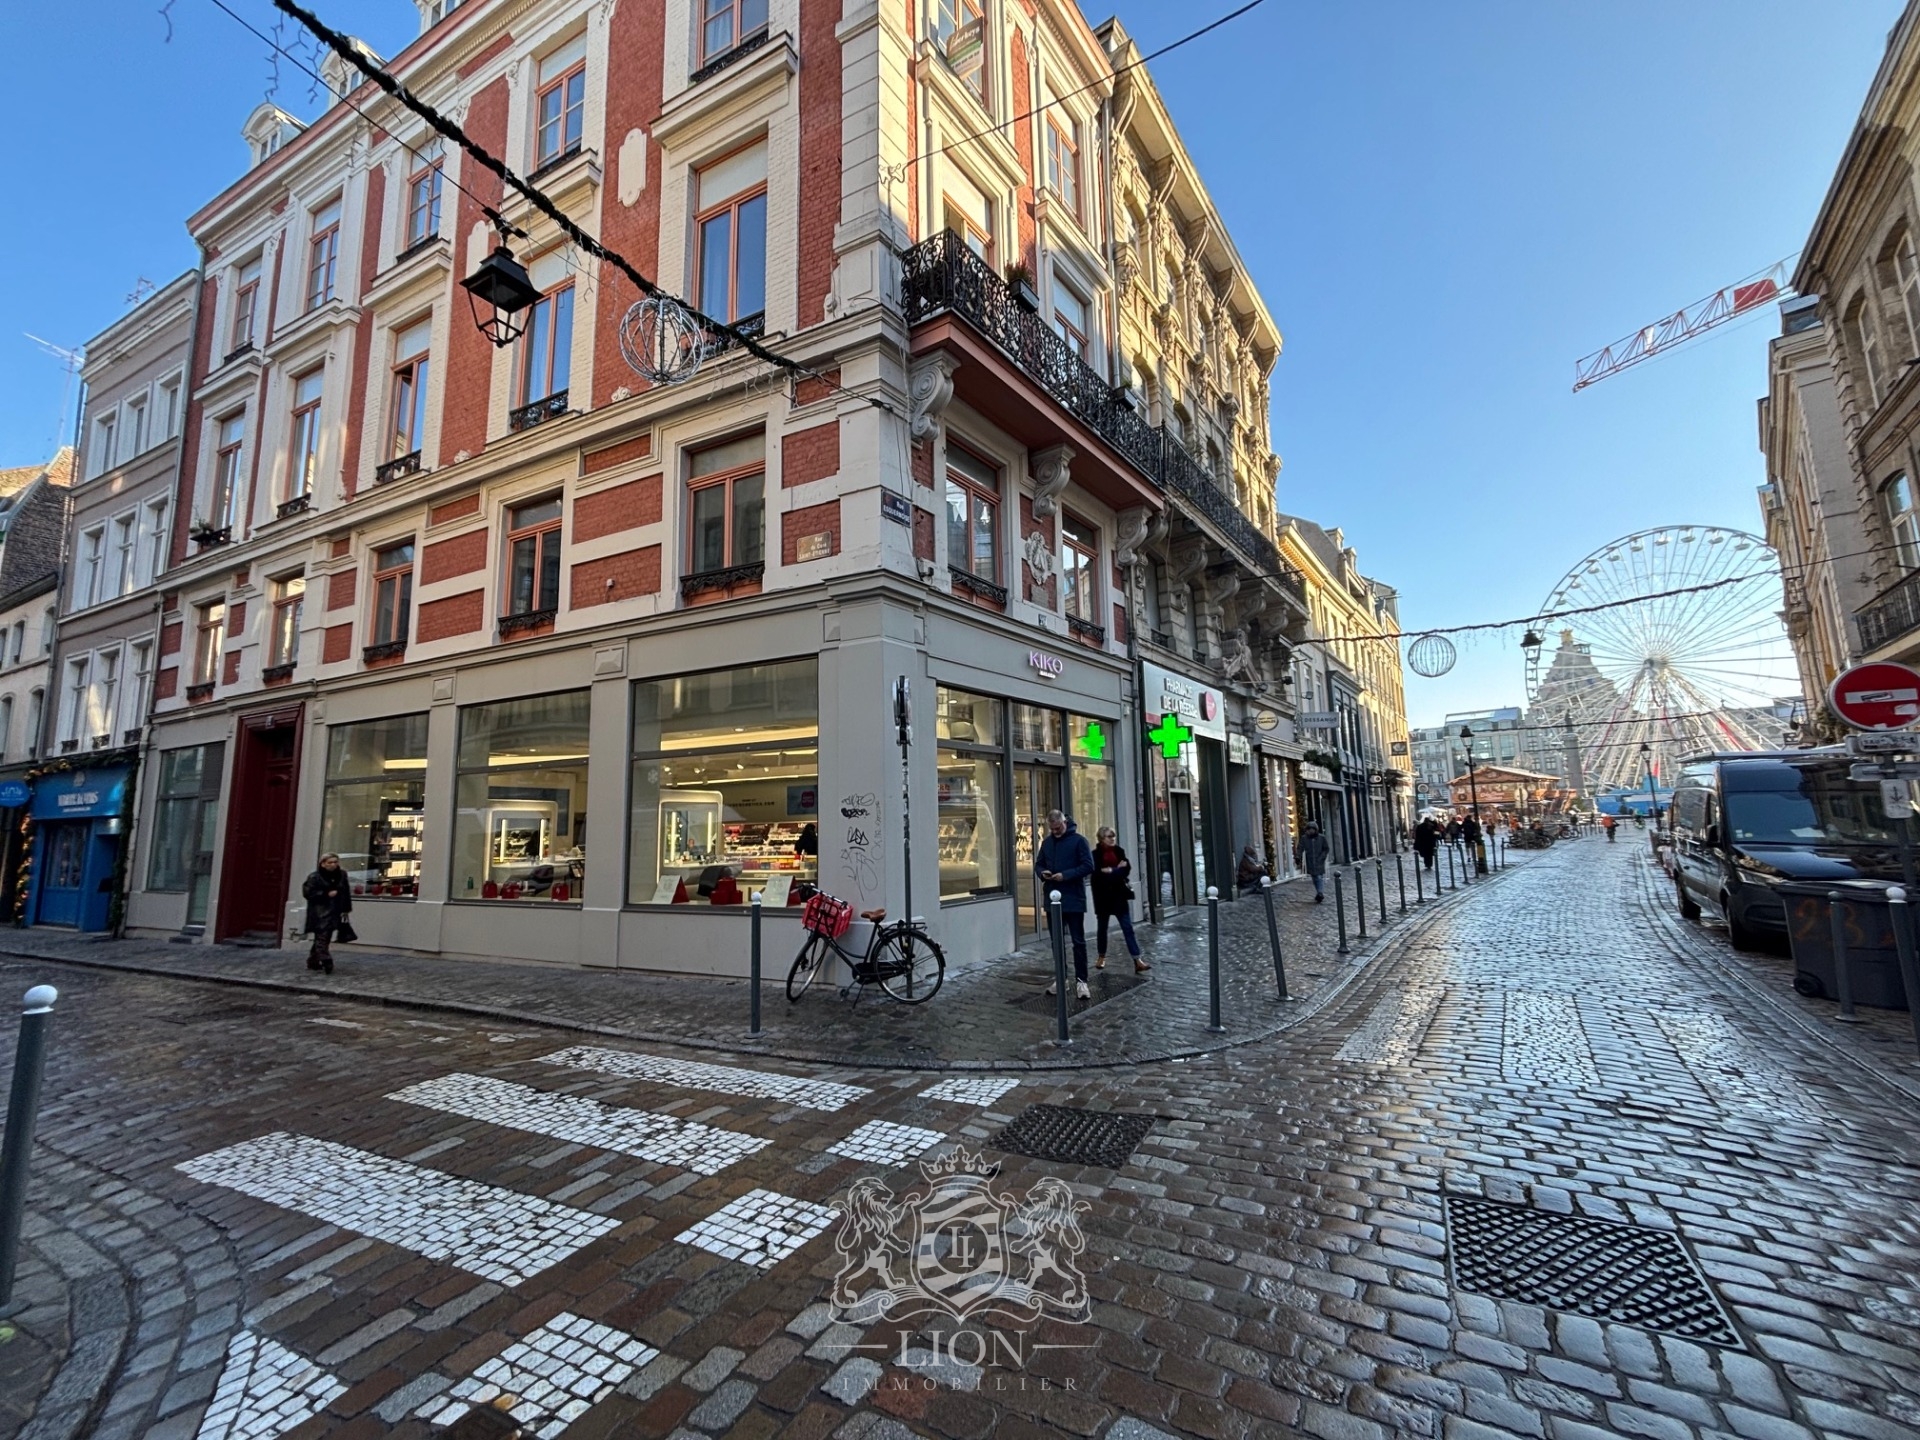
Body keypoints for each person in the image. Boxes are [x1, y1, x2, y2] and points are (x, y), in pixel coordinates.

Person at [1034, 809, 1094, 999]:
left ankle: (1082, 981)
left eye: (1058, 828)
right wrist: (1042, 872)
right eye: (1052, 829)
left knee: (1078, 942)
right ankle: (1061, 979)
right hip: (1053, 898)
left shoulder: (1079, 841)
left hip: (1073, 897)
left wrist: (1066, 875)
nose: (1056, 831)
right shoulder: (1047, 843)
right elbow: (1039, 863)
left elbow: (1088, 866)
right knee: (1056, 942)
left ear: (1064, 823)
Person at [1090, 826, 1150, 974]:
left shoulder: (1119, 851)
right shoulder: (1095, 854)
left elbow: (1126, 869)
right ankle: (1101, 956)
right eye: (1109, 836)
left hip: (1119, 895)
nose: (1112, 838)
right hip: (1103, 897)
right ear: (1102, 838)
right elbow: (1098, 875)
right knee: (1102, 928)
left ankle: (1137, 959)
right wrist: (1117, 870)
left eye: (1113, 836)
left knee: (1127, 928)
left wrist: (1112, 870)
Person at [302, 853, 353, 974]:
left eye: (335, 862)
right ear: (323, 864)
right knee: (322, 936)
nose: (333, 865)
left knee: (324, 937)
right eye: (330, 862)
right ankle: (326, 960)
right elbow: (308, 893)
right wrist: (325, 894)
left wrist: (346, 909)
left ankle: (313, 961)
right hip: (320, 912)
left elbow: (345, 892)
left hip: (335, 911)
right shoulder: (315, 877)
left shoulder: (341, 875)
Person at [1296, 822, 1331, 901]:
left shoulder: (1321, 838)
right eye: (1309, 830)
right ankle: (1319, 892)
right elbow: (1300, 848)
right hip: (1310, 861)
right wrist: (1298, 857)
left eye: (1312, 830)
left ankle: (1320, 893)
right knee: (1315, 877)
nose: (1311, 831)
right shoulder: (1304, 838)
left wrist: (1322, 857)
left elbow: (1326, 848)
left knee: (1319, 877)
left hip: (1319, 861)